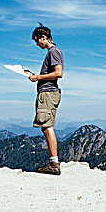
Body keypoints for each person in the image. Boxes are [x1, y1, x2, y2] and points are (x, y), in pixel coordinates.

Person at [29, 23, 64, 175]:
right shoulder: (52, 52)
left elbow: (58, 73)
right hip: (48, 93)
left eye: (37, 41)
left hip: (48, 93)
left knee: (47, 126)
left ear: (44, 37)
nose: (37, 44)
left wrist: (38, 77)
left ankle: (54, 163)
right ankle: (53, 161)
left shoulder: (53, 52)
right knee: (46, 126)